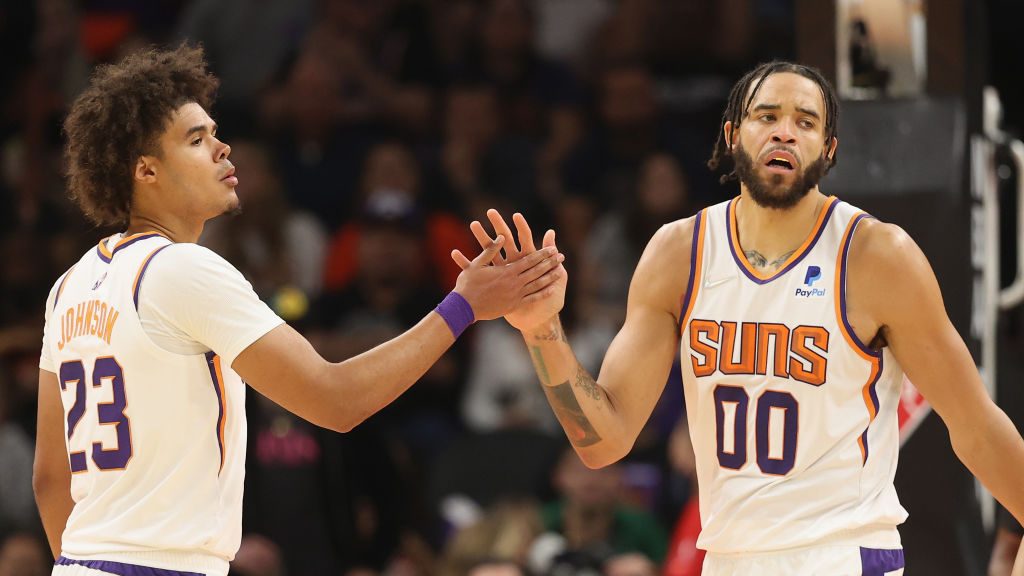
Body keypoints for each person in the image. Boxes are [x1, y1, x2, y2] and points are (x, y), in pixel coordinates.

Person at [455, 61, 1024, 574]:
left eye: (805, 121)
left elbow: (974, 425)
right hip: (728, 558)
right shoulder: (678, 254)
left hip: (843, 555)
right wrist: (542, 332)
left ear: (828, 150)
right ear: (732, 136)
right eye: (766, 115)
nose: (784, 130)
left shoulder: (878, 256)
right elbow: (604, 443)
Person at [32, 44, 565, 576]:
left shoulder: (68, 287)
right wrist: (464, 305)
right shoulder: (184, 269)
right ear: (146, 170)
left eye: (215, 133)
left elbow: (51, 480)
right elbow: (337, 402)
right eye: (197, 140)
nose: (222, 149)